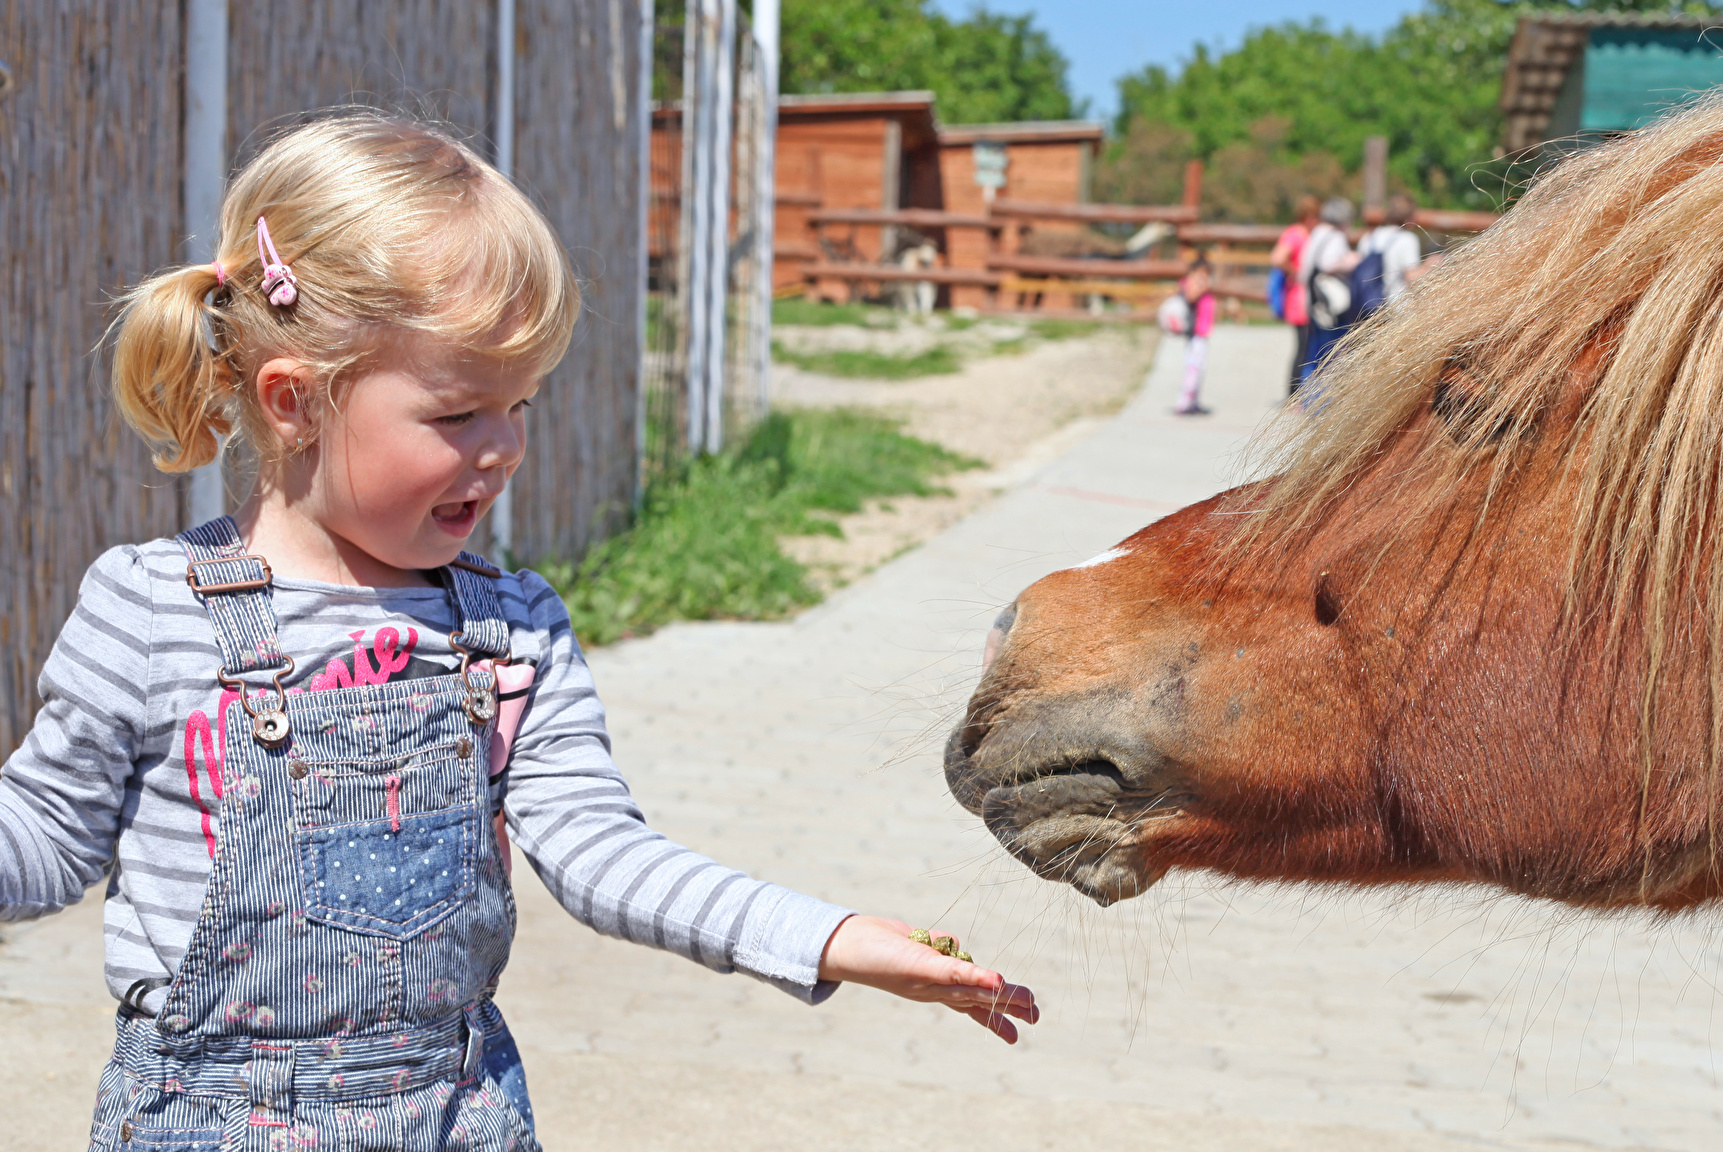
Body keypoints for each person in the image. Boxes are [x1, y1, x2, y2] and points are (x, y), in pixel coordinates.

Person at [5, 114, 1036, 1150]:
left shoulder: (510, 630)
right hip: (203, 1122)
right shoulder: (151, 609)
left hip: (456, 1117)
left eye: (521, 405)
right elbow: (46, 834)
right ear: (294, 404)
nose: (501, 449)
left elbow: (598, 852)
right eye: (457, 415)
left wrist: (822, 936)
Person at [1298, 196, 1359, 392]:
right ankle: (1321, 399)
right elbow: (1327, 264)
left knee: (1313, 350)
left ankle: (1306, 396)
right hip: (1330, 304)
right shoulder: (1335, 236)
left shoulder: (1316, 233)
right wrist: (1350, 261)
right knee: (1329, 351)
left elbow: (1304, 270)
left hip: (1313, 300)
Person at [1269, 195, 1319, 397]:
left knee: (1303, 346)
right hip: (1298, 299)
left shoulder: (1301, 234)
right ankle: (1294, 394)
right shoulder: (1296, 234)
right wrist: (1295, 271)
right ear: (1308, 216)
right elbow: (1277, 257)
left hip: (1301, 298)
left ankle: (1296, 393)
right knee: (1302, 348)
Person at [1356, 193, 1424, 305]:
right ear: (1409, 217)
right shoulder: (1407, 239)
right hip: (1395, 307)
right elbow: (1411, 276)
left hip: (1367, 307)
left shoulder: (1369, 237)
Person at [1173, 256, 1218, 416]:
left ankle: (1193, 402)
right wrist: (1202, 286)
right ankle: (1183, 402)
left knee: (1199, 369)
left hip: (1203, 333)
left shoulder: (1201, 284)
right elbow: (1190, 297)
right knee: (1193, 368)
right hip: (1195, 332)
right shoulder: (1191, 283)